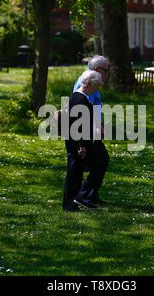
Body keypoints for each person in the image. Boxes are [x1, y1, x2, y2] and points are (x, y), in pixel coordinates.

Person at [64, 70, 107, 211]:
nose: (97, 89)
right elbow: (76, 125)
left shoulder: (78, 97)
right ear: (88, 84)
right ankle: (78, 198)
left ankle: (72, 203)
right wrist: (81, 145)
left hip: (77, 142)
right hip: (78, 143)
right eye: (97, 86)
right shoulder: (80, 99)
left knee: (76, 173)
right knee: (97, 165)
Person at [72, 55, 110, 205]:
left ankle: (91, 194)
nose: (107, 73)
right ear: (96, 69)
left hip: (92, 129)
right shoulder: (86, 83)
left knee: (102, 160)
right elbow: (80, 110)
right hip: (86, 131)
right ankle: (83, 195)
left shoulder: (93, 82)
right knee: (100, 161)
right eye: (105, 70)